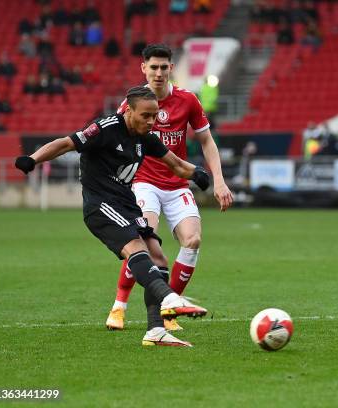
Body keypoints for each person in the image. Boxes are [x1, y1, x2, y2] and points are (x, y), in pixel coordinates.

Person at [15, 86, 211, 347]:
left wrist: (197, 173)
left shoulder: (147, 137)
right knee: (137, 250)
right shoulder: (105, 128)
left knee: (158, 257)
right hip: (101, 205)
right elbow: (64, 143)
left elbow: (175, 164)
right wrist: (32, 159)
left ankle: (155, 331)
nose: (152, 122)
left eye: (155, 116)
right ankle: (169, 298)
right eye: (146, 116)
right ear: (129, 111)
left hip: (126, 204)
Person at [106, 44, 233, 331]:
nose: (159, 73)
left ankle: (169, 310)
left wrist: (219, 180)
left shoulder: (188, 100)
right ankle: (119, 306)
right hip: (143, 182)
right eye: (153, 67)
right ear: (144, 68)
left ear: (171, 69)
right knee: (142, 242)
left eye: (164, 67)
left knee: (193, 240)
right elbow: (115, 142)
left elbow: (207, 141)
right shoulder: (132, 102)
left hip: (177, 184)